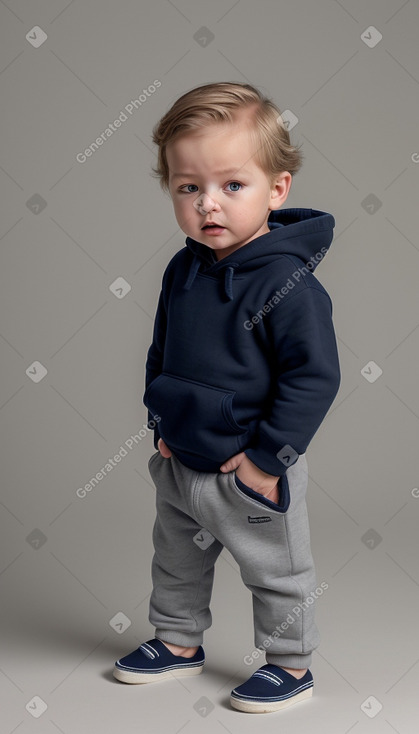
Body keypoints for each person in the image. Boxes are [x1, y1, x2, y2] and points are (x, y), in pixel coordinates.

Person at [113, 81, 341, 714]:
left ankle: (290, 665)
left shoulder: (289, 285)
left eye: (232, 186)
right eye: (190, 188)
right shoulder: (183, 269)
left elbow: (314, 378)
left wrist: (268, 460)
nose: (208, 205)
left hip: (250, 468)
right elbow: (164, 350)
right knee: (176, 559)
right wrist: (160, 418)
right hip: (181, 455)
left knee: (276, 570)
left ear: (277, 189)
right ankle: (178, 643)